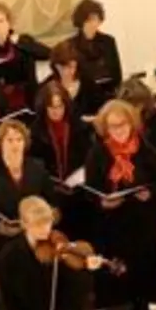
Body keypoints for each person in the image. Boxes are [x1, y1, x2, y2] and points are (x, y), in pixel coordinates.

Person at [84, 100, 156, 307]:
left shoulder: (145, 150)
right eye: (113, 126)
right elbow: (89, 190)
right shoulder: (97, 153)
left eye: (123, 124)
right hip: (111, 229)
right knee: (114, 284)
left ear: (132, 124)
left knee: (142, 280)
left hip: (141, 228)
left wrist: (150, 193)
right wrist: (102, 202)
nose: (119, 130)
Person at [0, 120, 54, 267]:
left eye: (19, 139)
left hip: (38, 239)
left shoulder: (38, 167)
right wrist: (2, 228)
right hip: (6, 242)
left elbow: (51, 200)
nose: (15, 145)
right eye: (10, 140)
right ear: (0, 143)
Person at [29, 80, 92, 240]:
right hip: (50, 193)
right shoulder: (35, 132)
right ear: (44, 108)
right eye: (52, 107)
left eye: (60, 106)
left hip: (78, 192)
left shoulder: (79, 126)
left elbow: (88, 158)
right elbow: (34, 165)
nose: (56, 111)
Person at [0, 1, 50, 115]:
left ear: (9, 23)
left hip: (26, 97)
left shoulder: (22, 40)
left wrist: (21, 44)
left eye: (1, 21)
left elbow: (47, 54)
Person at [69, 0, 122, 96]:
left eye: (96, 19)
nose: (93, 24)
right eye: (89, 20)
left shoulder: (108, 41)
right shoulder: (71, 45)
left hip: (108, 93)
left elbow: (117, 73)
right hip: (84, 96)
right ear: (81, 21)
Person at [42, 38, 103, 121]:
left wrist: (94, 118)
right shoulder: (46, 88)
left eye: (72, 67)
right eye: (64, 67)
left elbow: (102, 106)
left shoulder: (87, 82)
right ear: (56, 66)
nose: (69, 72)